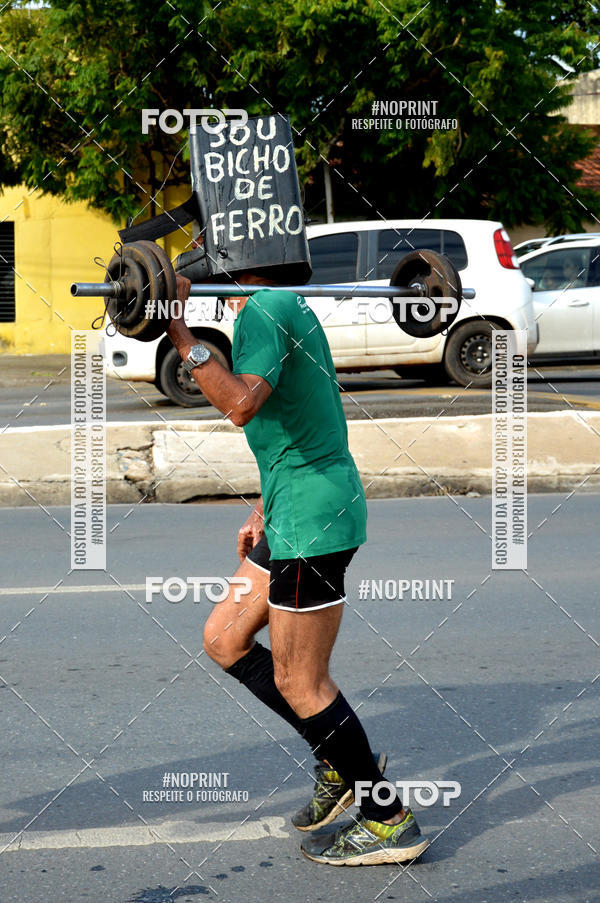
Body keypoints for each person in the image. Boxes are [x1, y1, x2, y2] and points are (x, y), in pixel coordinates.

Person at [166, 265, 430, 866]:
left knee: (300, 681)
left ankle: (388, 818)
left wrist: (180, 331)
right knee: (224, 639)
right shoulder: (275, 310)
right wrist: (262, 504)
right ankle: (340, 763)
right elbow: (290, 418)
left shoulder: (265, 308)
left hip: (316, 521)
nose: (191, 263)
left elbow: (239, 404)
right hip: (291, 509)